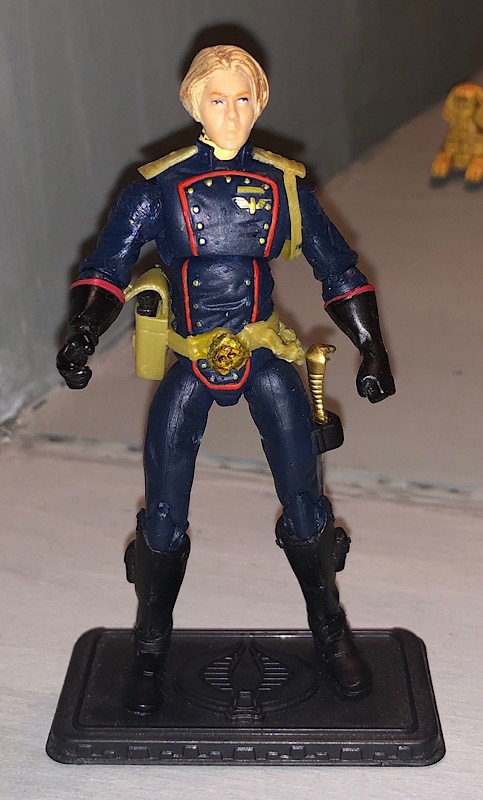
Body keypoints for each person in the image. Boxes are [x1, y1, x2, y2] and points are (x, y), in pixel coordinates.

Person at [57, 45, 395, 714]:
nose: (232, 113)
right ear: (193, 104)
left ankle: (331, 632)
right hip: (190, 361)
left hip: (262, 356)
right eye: (217, 99)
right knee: (162, 514)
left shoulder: (284, 186)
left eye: (243, 99)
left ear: (260, 103)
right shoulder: (156, 187)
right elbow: (108, 266)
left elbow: (337, 268)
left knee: (306, 504)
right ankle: (149, 649)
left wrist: (372, 347)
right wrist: (84, 331)